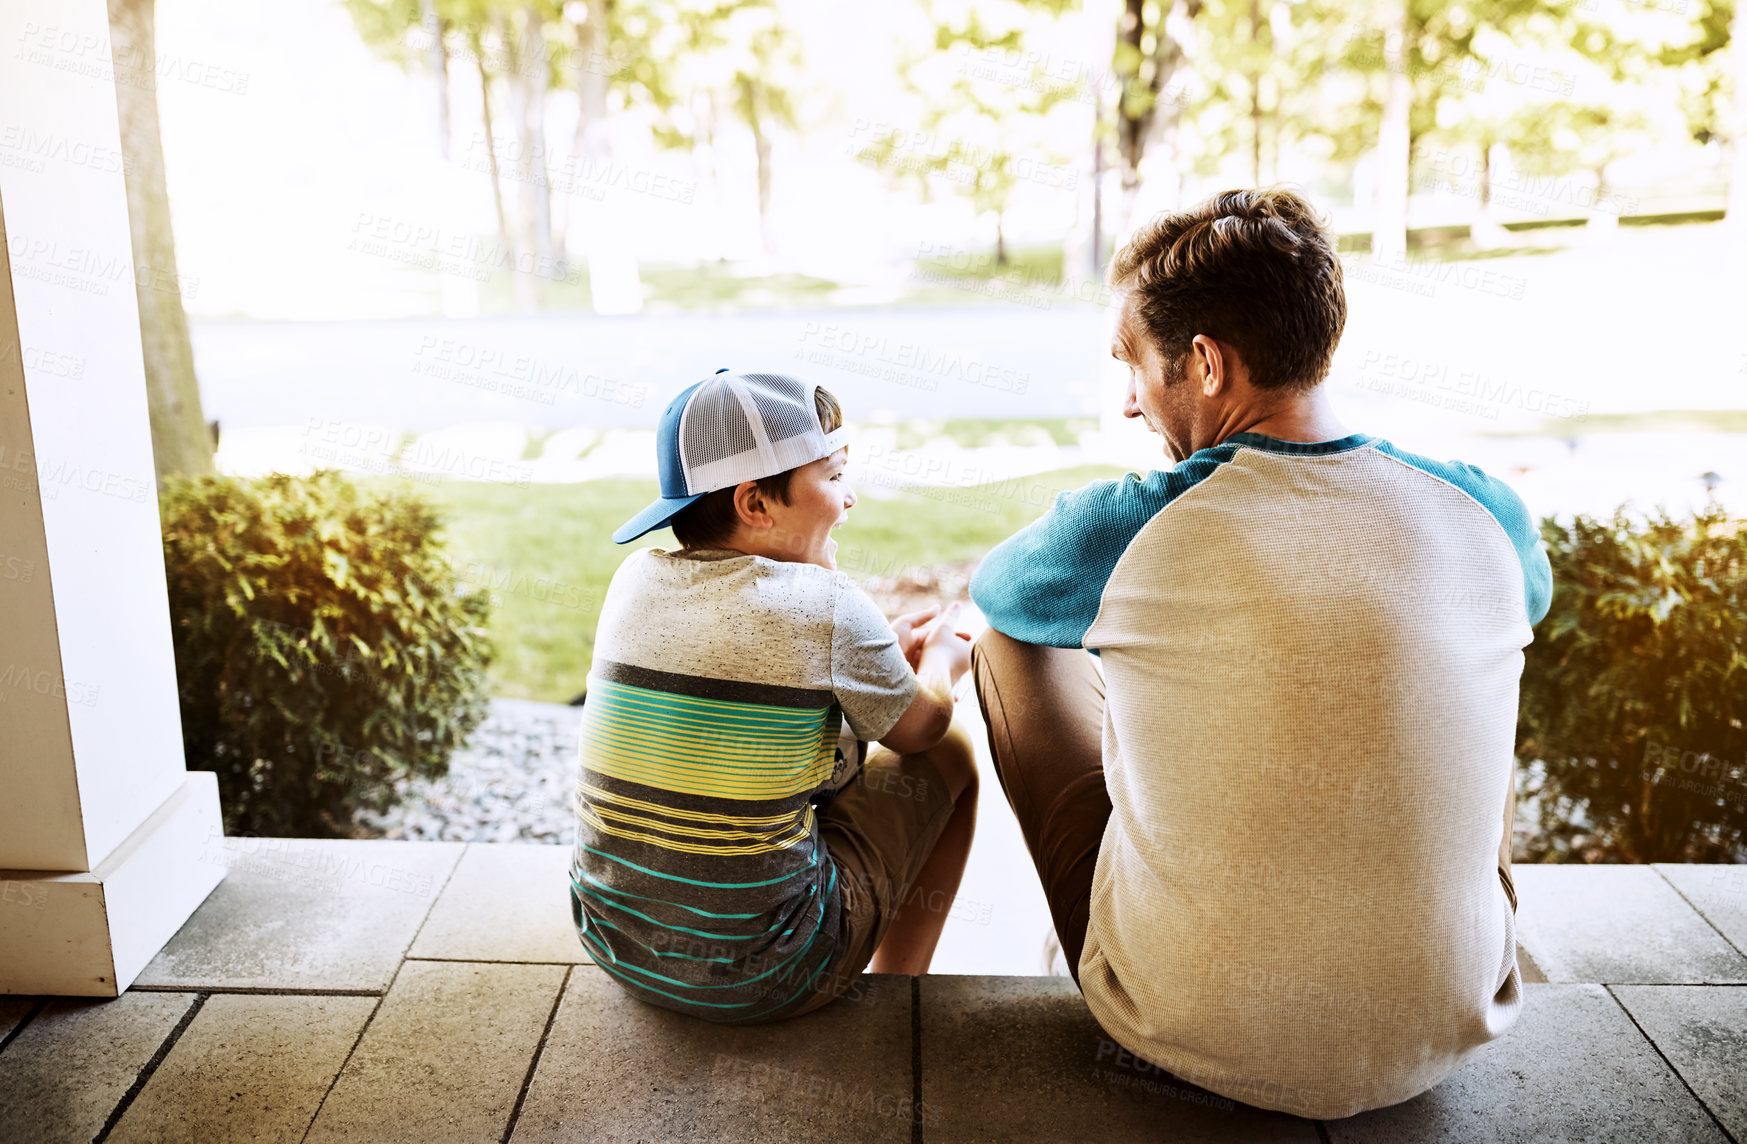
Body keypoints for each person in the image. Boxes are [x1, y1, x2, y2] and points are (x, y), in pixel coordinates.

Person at [967, 188, 1552, 1118]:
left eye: (1134, 366)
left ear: (1202, 363)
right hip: (1448, 1024)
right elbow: (1527, 602)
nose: (1128, 404)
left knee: (1001, 648)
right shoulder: (1490, 511)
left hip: (1184, 1026)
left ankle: (1144, 939)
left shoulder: (1128, 527)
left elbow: (1000, 594)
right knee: (1468, 661)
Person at [570, 369, 977, 1023]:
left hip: (614, 942)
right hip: (770, 974)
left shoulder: (634, 578)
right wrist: (940, 664)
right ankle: (902, 995)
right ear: (756, 504)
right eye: (835, 476)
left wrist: (874, 666)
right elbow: (919, 731)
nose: (850, 501)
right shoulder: (827, 603)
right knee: (952, 751)